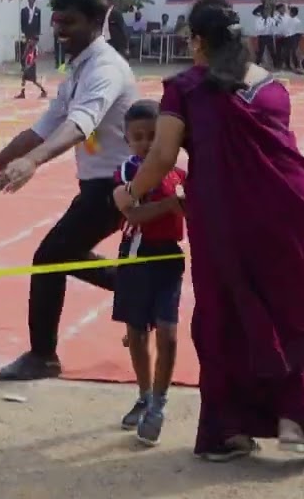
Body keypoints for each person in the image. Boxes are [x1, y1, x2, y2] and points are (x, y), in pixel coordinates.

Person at [113, 0, 304, 461]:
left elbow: (161, 157)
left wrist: (129, 194)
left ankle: (227, 428)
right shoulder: (272, 86)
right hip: (289, 211)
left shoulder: (188, 88)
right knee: (284, 310)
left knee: (226, 318)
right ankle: (292, 415)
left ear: (197, 41)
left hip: (228, 220)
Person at [0, 0, 137, 381]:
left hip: (116, 186)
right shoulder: (78, 69)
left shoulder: (105, 69)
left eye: (68, 22)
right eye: (56, 20)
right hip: (97, 186)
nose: (58, 28)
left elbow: (80, 124)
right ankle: (137, 288)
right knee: (59, 255)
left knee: (50, 257)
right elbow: (38, 131)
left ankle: (43, 355)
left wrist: (33, 162)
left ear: (95, 23)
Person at [112, 99, 186, 448]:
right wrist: (173, 204)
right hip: (136, 259)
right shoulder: (127, 173)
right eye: (137, 137)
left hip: (169, 258)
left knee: (168, 335)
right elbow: (135, 216)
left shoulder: (178, 174)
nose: (144, 143)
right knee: (137, 334)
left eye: (152, 137)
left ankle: (159, 402)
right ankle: (143, 394)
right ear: (127, 140)